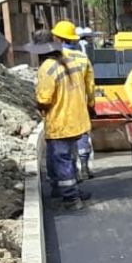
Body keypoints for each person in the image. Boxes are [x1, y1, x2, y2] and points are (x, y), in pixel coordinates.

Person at [32, 38, 94, 210]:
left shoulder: (47, 68)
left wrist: (38, 106)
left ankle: (71, 198)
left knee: (61, 159)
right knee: (65, 156)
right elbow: (88, 86)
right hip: (76, 119)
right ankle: (62, 189)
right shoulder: (71, 63)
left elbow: (44, 98)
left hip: (60, 122)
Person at [52, 19, 97, 180]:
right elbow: (90, 84)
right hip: (80, 103)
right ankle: (84, 165)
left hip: (61, 105)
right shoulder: (82, 58)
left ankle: (73, 171)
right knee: (82, 134)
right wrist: (91, 104)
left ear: (57, 38)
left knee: (65, 140)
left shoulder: (54, 57)